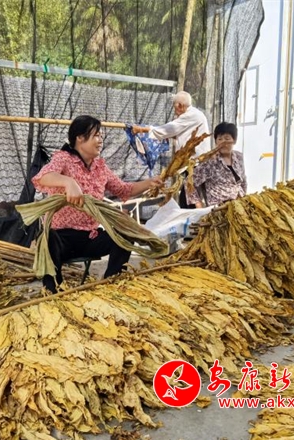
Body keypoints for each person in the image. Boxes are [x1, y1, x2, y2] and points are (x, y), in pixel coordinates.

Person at [32, 115, 163, 294]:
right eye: (96, 135)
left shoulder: (100, 167)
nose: (100, 140)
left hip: (90, 237)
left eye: (101, 136)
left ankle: (111, 284)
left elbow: (124, 189)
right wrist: (69, 182)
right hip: (61, 238)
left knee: (125, 234)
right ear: (80, 138)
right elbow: (42, 177)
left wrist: (150, 183)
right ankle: (53, 292)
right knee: (46, 239)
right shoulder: (63, 159)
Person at [131, 91, 211, 207]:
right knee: (189, 198)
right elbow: (179, 134)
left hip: (196, 165)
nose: (174, 110)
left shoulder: (191, 115)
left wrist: (143, 129)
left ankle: (195, 217)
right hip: (192, 165)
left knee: (191, 199)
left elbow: (169, 129)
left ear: (180, 105)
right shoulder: (194, 115)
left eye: (175, 106)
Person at [187, 122, 247, 207]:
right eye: (220, 139)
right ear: (216, 141)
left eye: (227, 138)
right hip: (219, 208)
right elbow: (189, 182)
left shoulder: (239, 156)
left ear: (234, 140)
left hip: (240, 205)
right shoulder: (210, 161)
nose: (223, 142)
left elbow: (243, 180)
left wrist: (244, 197)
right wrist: (198, 204)